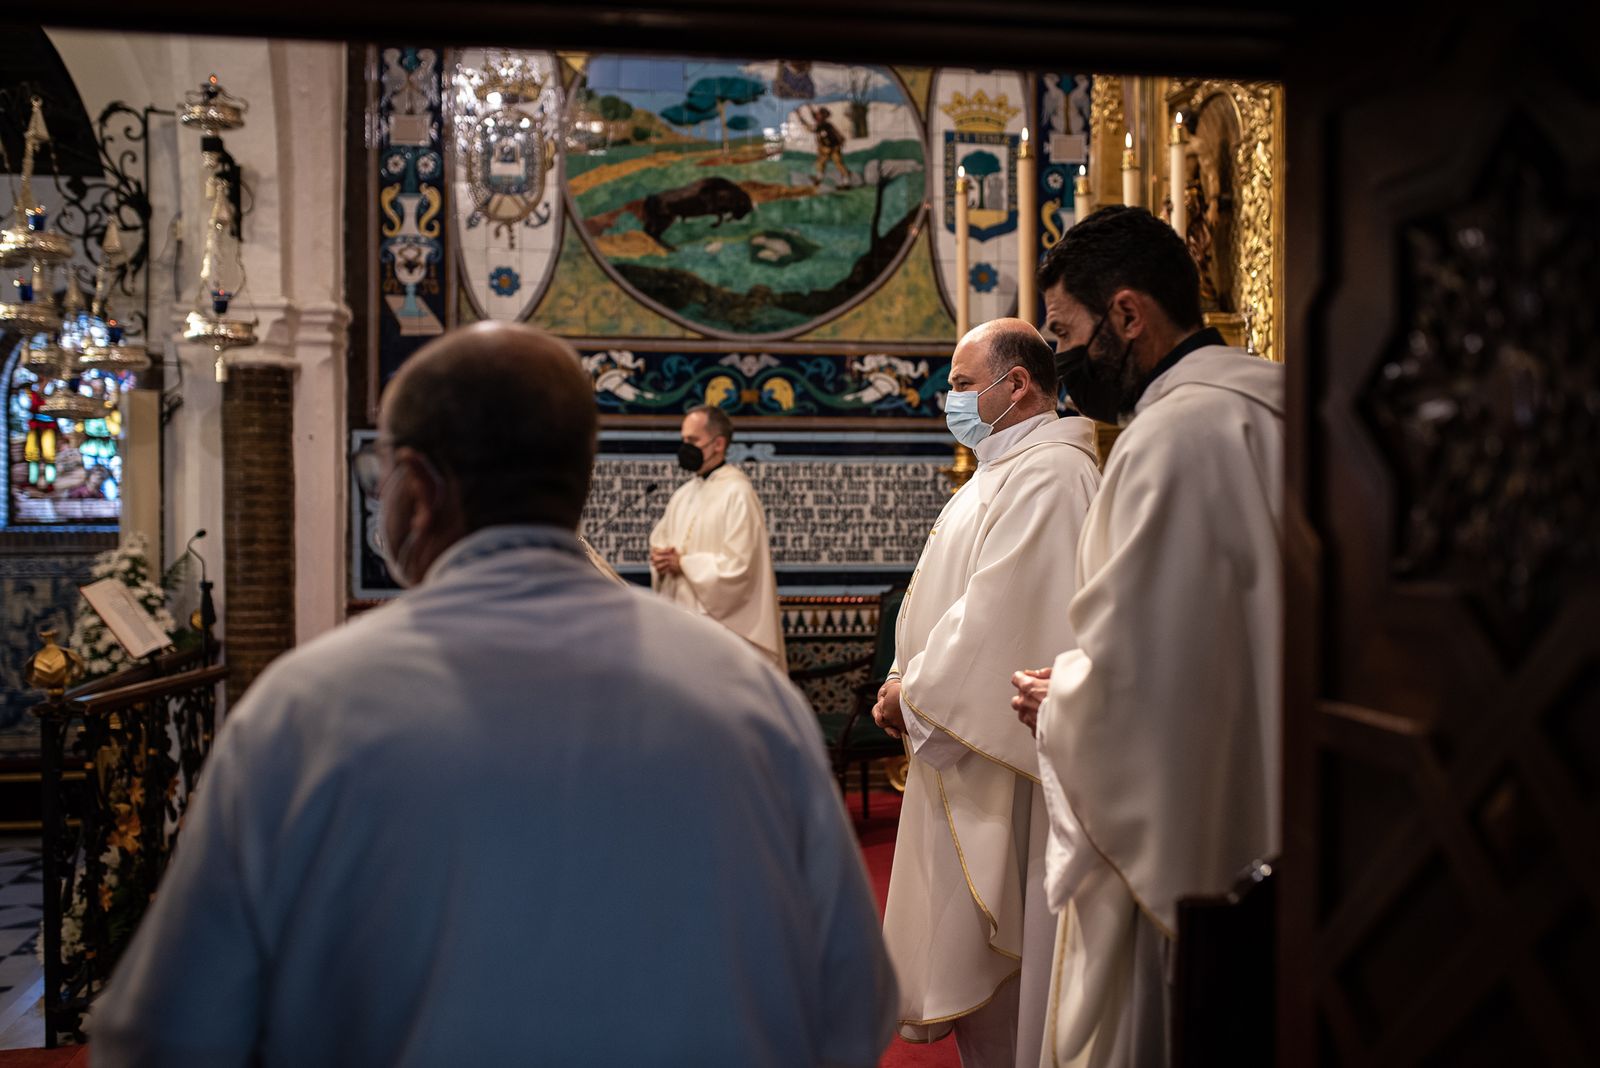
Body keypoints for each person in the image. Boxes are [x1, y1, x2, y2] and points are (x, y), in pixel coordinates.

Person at [91, 322, 896, 1067]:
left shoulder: (302, 711)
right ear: (576, 478)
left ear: (416, 484)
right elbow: (856, 1004)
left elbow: (163, 1034)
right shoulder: (753, 703)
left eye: (383, 478)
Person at [1012, 205, 1284, 1067]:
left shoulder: (1170, 437)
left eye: (1065, 332)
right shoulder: (1280, 407)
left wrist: (1062, 703)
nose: (1060, 359)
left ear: (1128, 315)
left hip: (1198, 822)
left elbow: (1137, 676)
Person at [873, 318, 1101, 1067]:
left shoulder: (1051, 472)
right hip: (957, 737)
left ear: (1018, 385)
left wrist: (914, 695)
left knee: (1014, 980)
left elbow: (999, 614)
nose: (950, 399)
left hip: (1004, 756)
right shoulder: (1000, 467)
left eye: (963, 384)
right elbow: (943, 601)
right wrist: (904, 676)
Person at [649, 404, 787, 669]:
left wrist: (684, 563)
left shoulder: (738, 494)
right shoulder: (683, 494)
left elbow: (741, 568)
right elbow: (663, 543)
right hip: (682, 625)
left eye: (693, 440)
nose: (685, 447)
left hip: (723, 634)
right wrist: (660, 559)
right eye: (683, 440)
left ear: (718, 443)